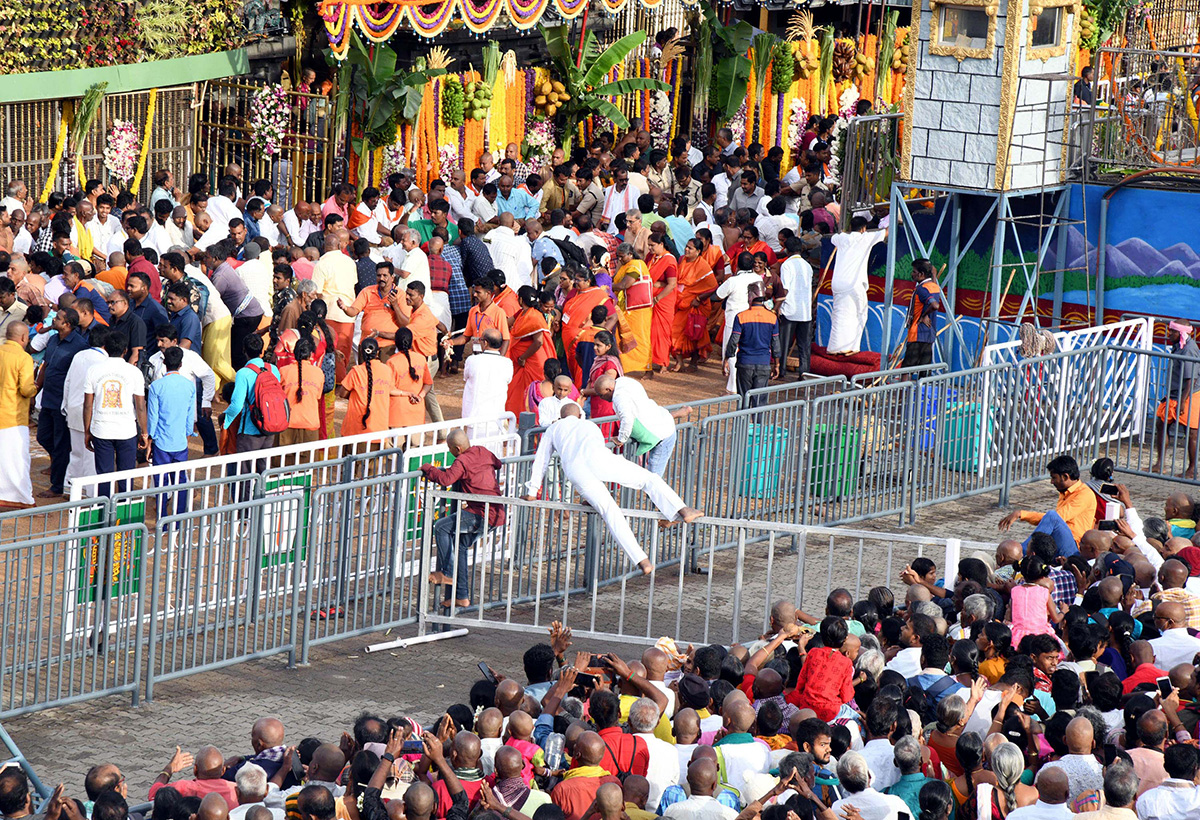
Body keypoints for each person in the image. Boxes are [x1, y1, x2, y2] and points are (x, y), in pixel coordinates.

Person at [524, 404, 701, 574]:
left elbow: (542, 460)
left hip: (575, 470)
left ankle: (642, 560)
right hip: (601, 459)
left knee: (610, 512)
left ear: (560, 417)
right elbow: (595, 455)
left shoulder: (553, 429)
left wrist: (532, 492)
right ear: (579, 416)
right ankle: (682, 510)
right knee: (649, 479)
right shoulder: (589, 425)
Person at [420, 428, 507, 609]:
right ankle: (462, 596)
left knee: (441, 527)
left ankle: (448, 572)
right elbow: (497, 464)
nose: (450, 453)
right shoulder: (482, 451)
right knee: (459, 545)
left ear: (458, 449)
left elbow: (446, 479)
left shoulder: (462, 460)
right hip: (497, 513)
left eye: (450, 449)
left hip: (482, 514)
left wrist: (428, 469)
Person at [82, 332, 148, 497]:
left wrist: (87, 431)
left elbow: (88, 404)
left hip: (101, 429)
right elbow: (140, 406)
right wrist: (145, 432)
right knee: (126, 475)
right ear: (125, 350)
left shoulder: (93, 370)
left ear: (105, 348)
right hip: (126, 430)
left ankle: (105, 514)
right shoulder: (134, 372)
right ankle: (125, 514)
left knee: (104, 475)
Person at [998, 454, 1096, 557]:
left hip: (1074, 548)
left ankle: (1020, 554)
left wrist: (1021, 514)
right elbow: (1048, 522)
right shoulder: (1065, 492)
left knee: (1052, 515)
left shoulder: (1084, 494)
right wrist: (1021, 514)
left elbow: (1054, 519)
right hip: (1059, 542)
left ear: (1065, 477)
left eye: (1054, 478)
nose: (1051, 482)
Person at [591, 374, 689, 476]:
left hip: (662, 436)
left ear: (609, 389)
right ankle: (680, 412)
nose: (601, 398)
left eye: (601, 395)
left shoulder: (619, 397)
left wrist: (621, 439)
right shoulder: (624, 381)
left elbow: (627, 419)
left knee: (654, 477)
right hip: (657, 424)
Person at [37, 307, 89, 498]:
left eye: (58, 318)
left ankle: (57, 485)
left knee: (61, 444)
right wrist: (36, 389)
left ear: (67, 324)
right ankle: (60, 464)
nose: (54, 321)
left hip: (63, 402)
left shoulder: (79, 346)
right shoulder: (52, 339)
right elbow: (46, 366)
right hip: (48, 398)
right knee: (43, 436)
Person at [146, 346, 196, 515]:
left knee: (161, 482)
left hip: (161, 442)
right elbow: (190, 416)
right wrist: (188, 433)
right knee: (180, 480)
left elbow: (152, 417)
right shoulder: (189, 386)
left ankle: (163, 520)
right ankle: (178, 517)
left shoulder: (156, 386)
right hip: (180, 441)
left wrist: (150, 440)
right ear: (181, 364)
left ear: (164, 363)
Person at [827, 217, 886, 356]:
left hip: (837, 283)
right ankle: (852, 347)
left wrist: (844, 232)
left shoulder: (841, 238)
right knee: (860, 314)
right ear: (863, 228)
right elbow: (887, 232)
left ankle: (834, 347)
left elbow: (833, 237)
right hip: (853, 283)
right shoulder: (865, 238)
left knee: (839, 315)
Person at [223, 335, 281, 467]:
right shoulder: (273, 369)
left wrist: (225, 420)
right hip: (270, 426)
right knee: (263, 470)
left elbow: (237, 405)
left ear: (244, 350)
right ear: (262, 350)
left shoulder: (243, 373)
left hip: (250, 429)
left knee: (246, 475)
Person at [1153, 320, 1200, 477]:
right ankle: (1159, 464)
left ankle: (1192, 469)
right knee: (1161, 423)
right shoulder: (1178, 345)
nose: (1169, 334)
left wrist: (1182, 402)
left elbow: (1191, 379)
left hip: (1189, 394)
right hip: (1174, 393)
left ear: (1180, 333)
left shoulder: (1188, 350)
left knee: (1190, 432)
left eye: (1172, 332)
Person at [311, 232, 358, 382]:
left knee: (330, 349)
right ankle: (340, 381)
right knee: (344, 349)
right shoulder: (350, 262)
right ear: (339, 246)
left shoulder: (321, 264)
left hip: (329, 312)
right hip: (348, 312)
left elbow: (316, 292)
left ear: (325, 247)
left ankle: (334, 381)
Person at [0, 322, 37, 508]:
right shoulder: (24, 358)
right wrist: (35, 388)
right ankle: (22, 499)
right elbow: (26, 389)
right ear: (23, 337)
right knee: (18, 460)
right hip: (13, 417)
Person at [724, 284, 780, 403]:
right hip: (764, 364)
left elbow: (734, 341)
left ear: (750, 296)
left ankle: (742, 422)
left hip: (745, 363)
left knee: (744, 402)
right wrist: (777, 364)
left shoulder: (741, 316)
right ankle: (758, 422)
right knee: (759, 403)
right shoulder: (772, 317)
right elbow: (775, 344)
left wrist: (726, 359)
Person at [670, 239, 718, 373]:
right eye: (686, 247)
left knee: (695, 333)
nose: (686, 250)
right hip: (680, 302)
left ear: (698, 252)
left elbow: (713, 286)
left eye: (690, 248)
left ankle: (694, 362)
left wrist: (698, 298)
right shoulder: (682, 260)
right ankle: (679, 361)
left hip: (696, 305)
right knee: (674, 330)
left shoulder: (703, 266)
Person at [506, 287, 553, 417]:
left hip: (533, 360)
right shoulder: (521, 313)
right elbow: (506, 322)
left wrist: (523, 357)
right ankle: (518, 415)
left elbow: (538, 341)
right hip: (523, 360)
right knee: (519, 390)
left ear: (521, 299)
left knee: (534, 393)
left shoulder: (534, 316)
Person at [461, 328, 513, 441]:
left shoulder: (472, 360)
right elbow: (508, 380)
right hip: (496, 418)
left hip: (475, 417)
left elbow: (466, 377)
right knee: (494, 454)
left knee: (474, 452)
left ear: (485, 343)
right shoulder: (507, 363)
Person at [337, 338, 393, 438]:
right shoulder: (387, 370)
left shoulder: (356, 371)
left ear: (361, 353)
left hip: (355, 430)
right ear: (377, 353)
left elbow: (342, 393)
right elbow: (390, 390)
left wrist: (357, 394)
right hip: (379, 429)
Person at [613, 243, 652, 376]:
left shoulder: (636, 265)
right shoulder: (626, 265)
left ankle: (647, 368)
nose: (620, 259)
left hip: (638, 310)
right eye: (618, 257)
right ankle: (626, 367)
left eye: (622, 257)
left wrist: (608, 286)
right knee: (625, 336)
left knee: (641, 338)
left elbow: (625, 284)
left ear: (630, 254)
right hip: (627, 308)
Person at [279, 336, 323, 447]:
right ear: (311, 354)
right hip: (310, 426)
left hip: (287, 425)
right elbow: (317, 396)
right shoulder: (318, 373)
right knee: (309, 463)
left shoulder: (283, 371)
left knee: (283, 463)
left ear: (294, 353)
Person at [902, 259, 942, 373]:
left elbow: (934, 305)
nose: (912, 274)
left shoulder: (921, 289)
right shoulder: (934, 287)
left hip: (917, 333)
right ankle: (920, 390)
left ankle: (903, 390)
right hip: (929, 334)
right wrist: (934, 274)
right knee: (924, 369)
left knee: (906, 368)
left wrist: (924, 315)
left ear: (921, 274)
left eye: (914, 272)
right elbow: (933, 290)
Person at [386, 328, 432, 429]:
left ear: (396, 342)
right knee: (416, 444)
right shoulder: (421, 359)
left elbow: (389, 389)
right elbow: (428, 383)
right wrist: (420, 396)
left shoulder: (392, 362)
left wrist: (407, 394)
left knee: (396, 444)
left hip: (397, 414)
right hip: (416, 412)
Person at [646, 232, 677, 374]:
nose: (650, 248)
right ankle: (650, 360)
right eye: (649, 245)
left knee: (662, 332)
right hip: (650, 298)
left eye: (652, 245)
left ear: (661, 244)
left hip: (663, 300)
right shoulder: (651, 257)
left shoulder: (669, 260)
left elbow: (671, 284)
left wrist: (657, 299)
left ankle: (664, 363)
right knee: (649, 331)